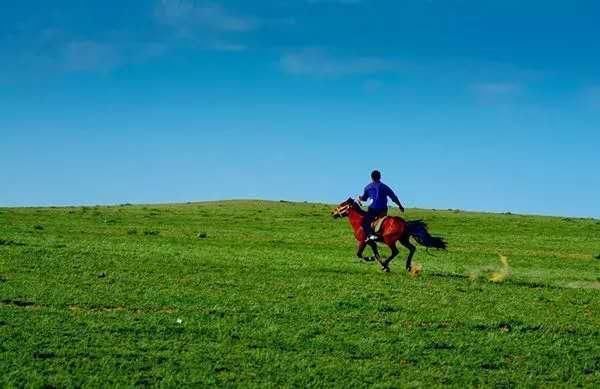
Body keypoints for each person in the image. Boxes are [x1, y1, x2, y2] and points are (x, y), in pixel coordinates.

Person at [358, 170, 404, 242]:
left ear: (371, 177)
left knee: (365, 222)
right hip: (383, 210)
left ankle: (370, 235)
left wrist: (360, 198)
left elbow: (364, 198)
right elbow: (393, 197)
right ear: (380, 177)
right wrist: (400, 206)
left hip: (372, 210)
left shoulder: (367, 187)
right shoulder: (385, 187)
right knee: (382, 222)